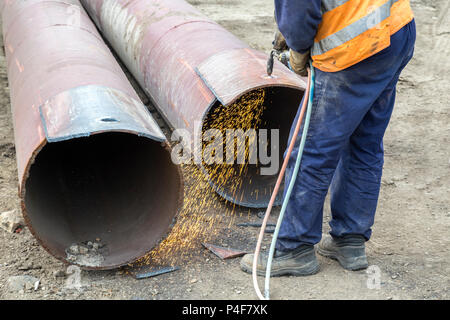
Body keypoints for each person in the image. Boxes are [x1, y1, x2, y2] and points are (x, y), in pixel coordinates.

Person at [241, 0, 416, 276]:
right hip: (395, 29)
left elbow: (299, 12)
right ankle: (349, 240)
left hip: (352, 48)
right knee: (363, 141)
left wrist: (298, 44)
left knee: (311, 149)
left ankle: (292, 248)